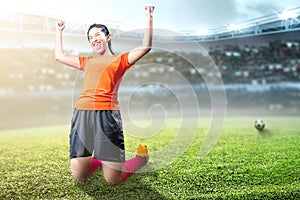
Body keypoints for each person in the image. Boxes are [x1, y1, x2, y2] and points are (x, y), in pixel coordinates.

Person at [55, 4, 155, 184]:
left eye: (97, 35)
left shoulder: (121, 59)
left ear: (108, 37)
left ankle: (140, 159)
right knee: (79, 176)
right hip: (81, 114)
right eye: (90, 37)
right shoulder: (87, 61)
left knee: (113, 180)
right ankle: (102, 159)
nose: (94, 39)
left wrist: (149, 16)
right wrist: (59, 31)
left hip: (107, 115)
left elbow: (146, 46)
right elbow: (59, 56)